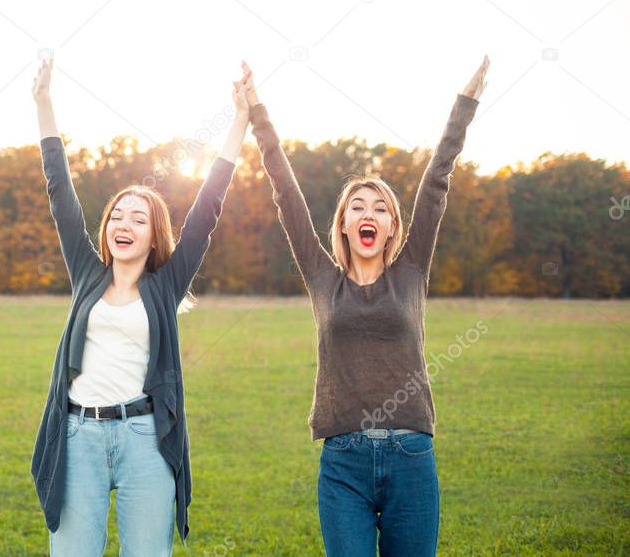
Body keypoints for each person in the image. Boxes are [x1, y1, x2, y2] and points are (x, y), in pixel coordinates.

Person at [240, 56, 490, 556]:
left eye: (380, 207)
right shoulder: (321, 278)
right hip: (343, 460)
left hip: (411, 457)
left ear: (393, 226)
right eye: (358, 206)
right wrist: (256, 113)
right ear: (344, 224)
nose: (368, 213)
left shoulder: (412, 270)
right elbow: (286, 193)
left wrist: (465, 105)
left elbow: (437, 181)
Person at [29, 59, 249, 555]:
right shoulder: (87, 273)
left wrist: (239, 121)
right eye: (116, 216)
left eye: (138, 218)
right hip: (78, 437)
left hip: (145, 439)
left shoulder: (166, 284)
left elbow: (208, 208)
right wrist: (44, 105)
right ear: (107, 229)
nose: (123, 223)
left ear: (154, 237)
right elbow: (60, 193)